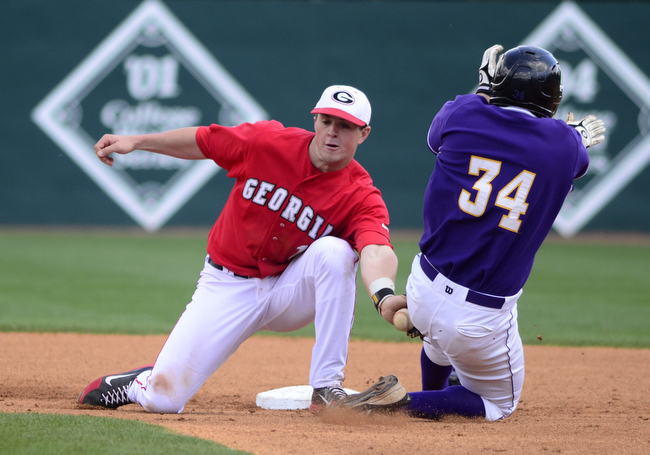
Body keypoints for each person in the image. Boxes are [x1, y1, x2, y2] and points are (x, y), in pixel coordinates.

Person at [77, 85, 409, 414]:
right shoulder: (267, 143)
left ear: (363, 134)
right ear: (315, 121)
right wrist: (137, 141)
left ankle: (326, 387)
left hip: (287, 290)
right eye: (326, 121)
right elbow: (205, 140)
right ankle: (140, 383)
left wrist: (383, 294)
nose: (332, 133)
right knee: (164, 399)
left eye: (345, 126)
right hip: (227, 285)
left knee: (336, 253)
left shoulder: (361, 194)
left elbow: (376, 248)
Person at [338, 45, 606, 420]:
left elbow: (444, 135)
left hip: (422, 287)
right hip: (478, 317)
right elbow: (569, 152)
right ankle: (406, 404)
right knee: (499, 404)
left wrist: (483, 87)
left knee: (438, 344)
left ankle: (434, 402)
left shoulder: (463, 111)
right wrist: (575, 134)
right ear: (551, 97)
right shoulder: (563, 145)